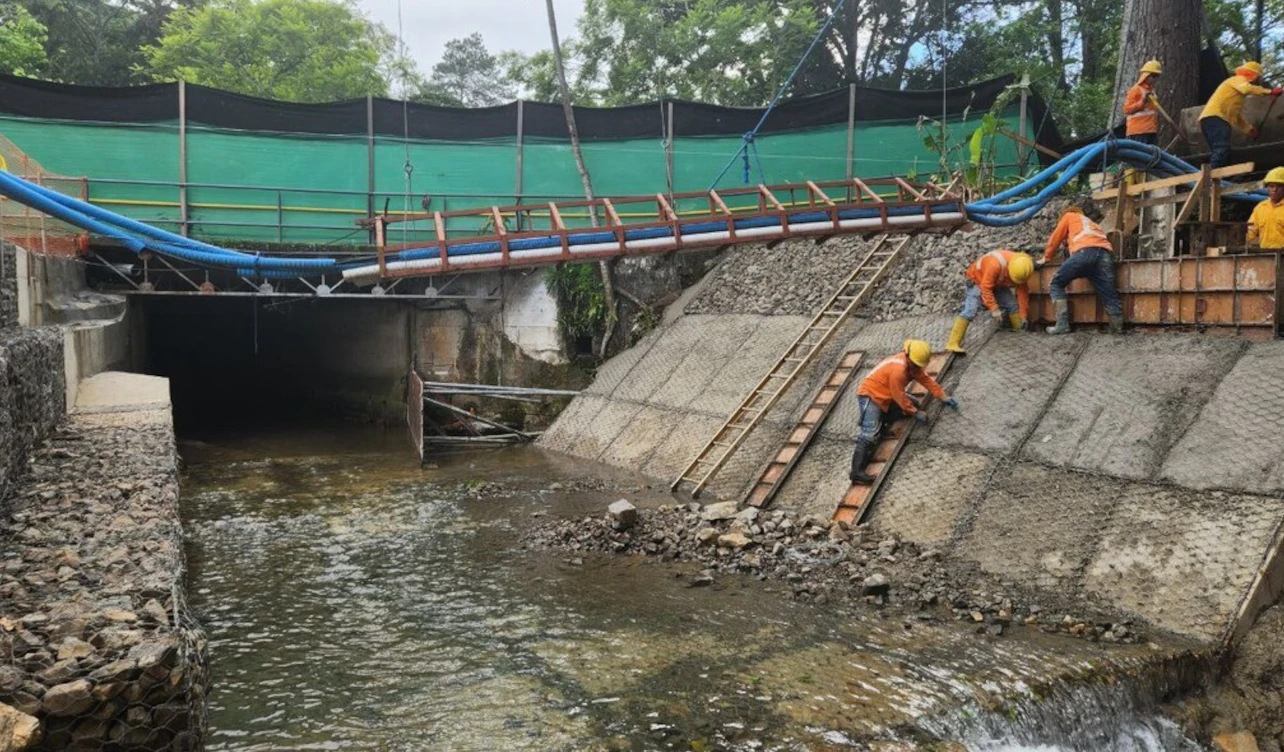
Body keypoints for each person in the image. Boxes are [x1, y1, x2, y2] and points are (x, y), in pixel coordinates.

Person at [849, 340, 958, 484]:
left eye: (919, 365)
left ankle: (880, 424)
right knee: (869, 434)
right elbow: (898, 396)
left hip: (886, 395)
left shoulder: (912, 365)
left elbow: (927, 381)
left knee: (913, 403)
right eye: (915, 364)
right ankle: (856, 472)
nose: (917, 367)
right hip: (871, 395)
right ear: (907, 356)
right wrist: (915, 413)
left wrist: (943, 397)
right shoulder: (898, 371)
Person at [1039, 205, 1123, 334]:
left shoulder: (1068, 217)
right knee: (1109, 295)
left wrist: (1046, 257)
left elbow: (1055, 239)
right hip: (1105, 255)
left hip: (1085, 253)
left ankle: (1062, 325)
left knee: (1056, 283)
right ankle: (1117, 330)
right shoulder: (1090, 223)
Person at [945, 250, 1035, 355]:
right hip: (977, 281)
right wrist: (994, 308)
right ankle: (952, 343)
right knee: (970, 311)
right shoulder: (995, 265)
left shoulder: (1023, 266)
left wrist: (1023, 315)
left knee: (1013, 306)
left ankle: (1020, 333)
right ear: (1009, 270)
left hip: (997, 282)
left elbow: (1023, 293)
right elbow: (985, 288)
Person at [1200, 61, 1282, 168]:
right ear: (1254, 75)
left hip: (1209, 119)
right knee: (1221, 148)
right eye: (1258, 78)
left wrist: (1249, 129)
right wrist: (1270, 92)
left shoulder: (1235, 94)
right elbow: (1247, 88)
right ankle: (1211, 177)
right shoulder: (1238, 80)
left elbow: (1237, 117)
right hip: (1217, 118)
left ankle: (1219, 177)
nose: (1258, 82)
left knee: (1220, 151)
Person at [1123, 60, 1163, 146]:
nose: (1155, 79)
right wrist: (1142, 102)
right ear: (1146, 76)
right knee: (1138, 156)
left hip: (1151, 130)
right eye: (1154, 76)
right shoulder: (1135, 90)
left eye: (1157, 76)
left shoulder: (1151, 91)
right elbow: (1127, 110)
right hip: (1138, 131)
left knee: (1152, 156)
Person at [1248, 167, 1284, 250]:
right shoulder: (1260, 208)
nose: (1274, 189)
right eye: (1271, 186)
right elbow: (1251, 231)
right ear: (1267, 187)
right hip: (1266, 256)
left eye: (1279, 186)